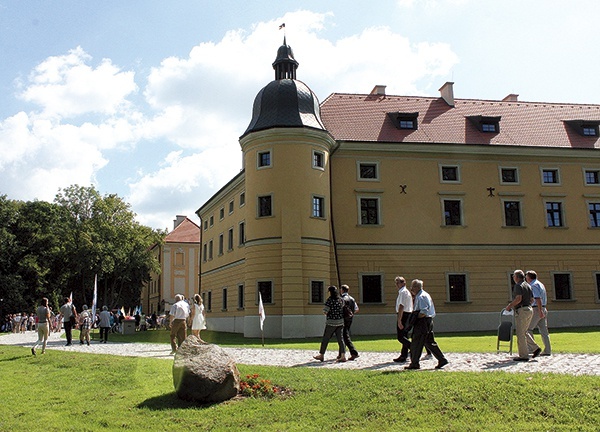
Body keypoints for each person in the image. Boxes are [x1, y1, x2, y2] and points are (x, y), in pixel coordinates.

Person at [405, 279, 448, 370]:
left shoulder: (421, 296)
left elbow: (424, 311)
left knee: (416, 342)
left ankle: (415, 363)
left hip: (423, 321)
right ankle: (442, 359)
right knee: (429, 342)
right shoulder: (424, 295)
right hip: (428, 321)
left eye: (412, 287)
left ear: (416, 287)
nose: (411, 289)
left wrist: (415, 318)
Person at [506, 269, 541, 361]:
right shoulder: (528, 285)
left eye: (514, 276)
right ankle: (535, 348)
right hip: (529, 309)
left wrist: (510, 306)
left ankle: (523, 355)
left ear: (517, 277)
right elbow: (532, 299)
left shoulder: (518, 286)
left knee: (520, 333)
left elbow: (518, 298)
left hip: (522, 310)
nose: (513, 277)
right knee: (524, 331)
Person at [313, 286, 346, 363]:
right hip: (340, 322)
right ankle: (343, 355)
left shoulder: (330, 300)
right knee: (340, 339)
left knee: (326, 338)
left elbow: (325, 311)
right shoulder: (341, 300)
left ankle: (321, 354)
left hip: (331, 322)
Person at [525, 270, 551, 356]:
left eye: (526, 277)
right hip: (543, 307)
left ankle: (532, 348)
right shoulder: (540, 284)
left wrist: (539, 311)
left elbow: (537, 298)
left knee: (527, 329)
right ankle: (547, 350)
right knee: (544, 331)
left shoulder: (533, 285)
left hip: (537, 309)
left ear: (529, 277)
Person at [393, 276, 413, 363]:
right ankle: (403, 355)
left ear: (403, 283)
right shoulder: (405, 292)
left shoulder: (403, 292)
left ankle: (413, 348)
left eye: (398, 282)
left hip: (404, 314)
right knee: (404, 336)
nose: (397, 284)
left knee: (400, 337)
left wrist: (399, 320)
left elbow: (401, 306)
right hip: (407, 314)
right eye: (396, 283)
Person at [340, 284, 359, 361]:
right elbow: (357, 309)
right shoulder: (352, 299)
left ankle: (353, 352)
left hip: (343, 319)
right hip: (350, 319)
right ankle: (341, 353)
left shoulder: (342, 299)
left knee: (344, 335)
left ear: (342, 290)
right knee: (344, 335)